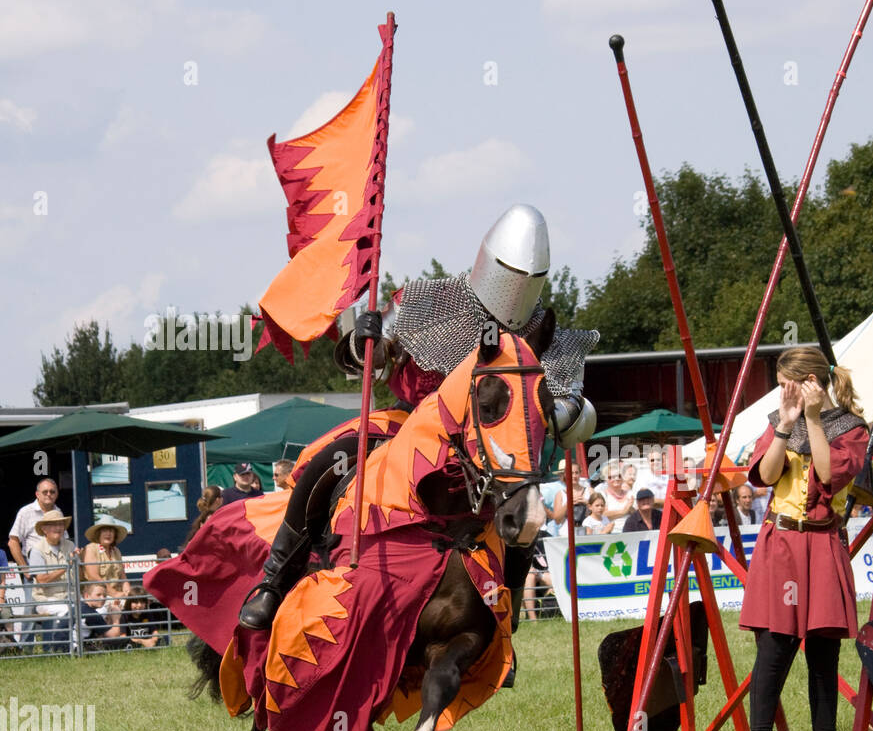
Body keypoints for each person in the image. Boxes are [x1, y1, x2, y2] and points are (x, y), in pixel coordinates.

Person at [237, 204, 600, 630]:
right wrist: (367, 339)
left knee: (526, 517)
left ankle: (505, 617)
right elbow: (367, 362)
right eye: (510, 272)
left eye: (529, 279)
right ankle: (274, 581)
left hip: (493, 454)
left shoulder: (545, 336)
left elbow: (573, 404)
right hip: (407, 429)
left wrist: (551, 412)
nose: (516, 288)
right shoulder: (430, 302)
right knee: (328, 465)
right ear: (489, 261)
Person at [739, 346, 868, 731]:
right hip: (783, 547)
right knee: (774, 649)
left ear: (811, 383)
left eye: (785, 386)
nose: (780, 395)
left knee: (823, 651)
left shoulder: (851, 429)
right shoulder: (779, 422)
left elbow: (829, 475)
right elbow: (768, 476)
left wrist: (812, 419)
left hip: (822, 542)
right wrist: (786, 426)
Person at [27, 508, 74, 651]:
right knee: (67, 610)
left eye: (61, 524)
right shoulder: (36, 550)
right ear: (44, 529)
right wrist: (66, 566)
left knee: (87, 609)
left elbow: (79, 573)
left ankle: (81, 646)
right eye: (54, 524)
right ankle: (54, 648)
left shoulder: (70, 545)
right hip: (45, 599)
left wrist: (79, 561)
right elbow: (42, 580)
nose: (59, 528)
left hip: (69, 596)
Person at [8, 477, 67, 572]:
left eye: (52, 492)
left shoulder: (58, 511)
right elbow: (13, 542)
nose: (49, 494)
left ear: (57, 494)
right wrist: (24, 569)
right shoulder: (26, 512)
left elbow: (64, 539)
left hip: (57, 567)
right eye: (45, 492)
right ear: (37, 494)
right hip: (35, 568)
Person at [82, 515, 131, 601]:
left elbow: (123, 576)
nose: (108, 534)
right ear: (98, 533)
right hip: (98, 597)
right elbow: (93, 577)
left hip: (117, 595)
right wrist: (114, 594)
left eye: (111, 531)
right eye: (104, 530)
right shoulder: (91, 549)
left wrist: (128, 593)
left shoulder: (116, 551)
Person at [79, 582, 125, 651]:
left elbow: (103, 633)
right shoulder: (90, 613)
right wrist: (116, 618)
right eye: (98, 595)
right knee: (124, 642)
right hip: (74, 649)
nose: (102, 598)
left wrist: (109, 617)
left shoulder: (81, 607)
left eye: (104, 595)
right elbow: (113, 637)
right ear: (86, 596)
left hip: (66, 647)